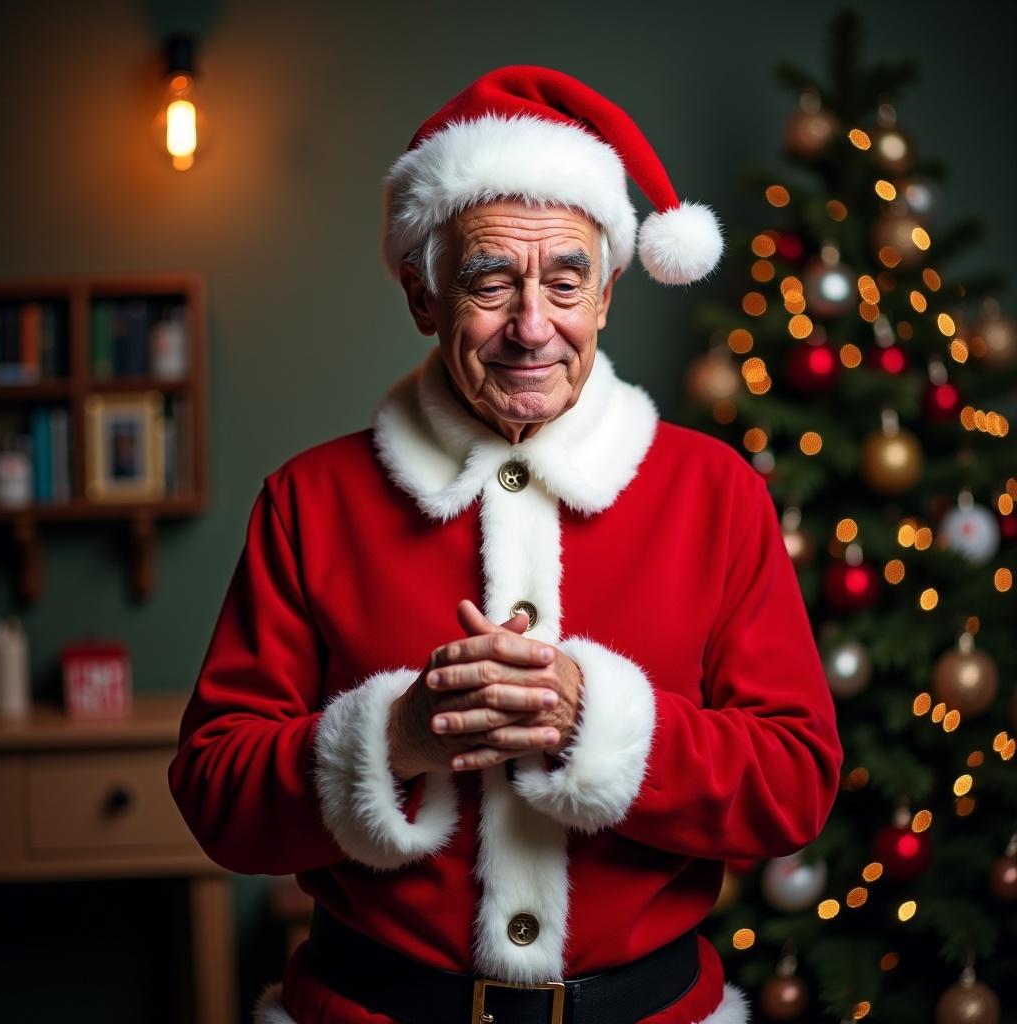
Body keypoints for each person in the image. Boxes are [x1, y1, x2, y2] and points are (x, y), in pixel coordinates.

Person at [168, 65, 843, 1024]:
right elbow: (214, 794)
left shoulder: (716, 493)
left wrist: (599, 723)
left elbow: (794, 785)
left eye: (567, 279)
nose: (534, 327)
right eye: (491, 281)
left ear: (607, 294)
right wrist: (394, 737)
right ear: (422, 295)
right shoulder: (308, 501)